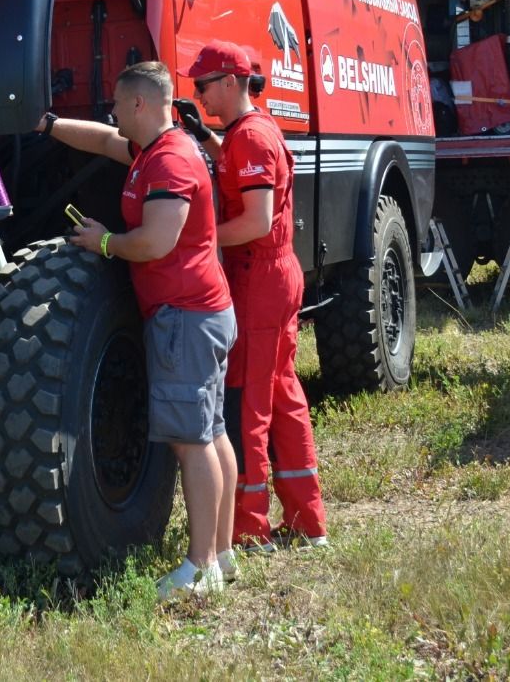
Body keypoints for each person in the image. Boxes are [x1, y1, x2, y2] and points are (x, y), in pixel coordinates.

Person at [40, 61, 238, 598]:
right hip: (199, 312)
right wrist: (49, 124)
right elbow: (105, 141)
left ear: (140, 105)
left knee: (190, 441)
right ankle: (221, 554)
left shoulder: (170, 162)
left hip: (186, 318)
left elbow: (155, 242)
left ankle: (200, 568)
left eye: (117, 104)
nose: (112, 113)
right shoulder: (152, 149)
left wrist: (105, 242)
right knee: (212, 431)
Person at [173, 41, 329, 551]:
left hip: (261, 278)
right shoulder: (246, 133)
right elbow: (239, 171)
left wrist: (200, 235)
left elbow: (257, 221)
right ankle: (308, 521)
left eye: (203, 86)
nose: (198, 94)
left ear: (231, 82)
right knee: (282, 394)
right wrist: (203, 135)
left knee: (250, 403)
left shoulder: (253, 139)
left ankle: (249, 526)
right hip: (272, 276)